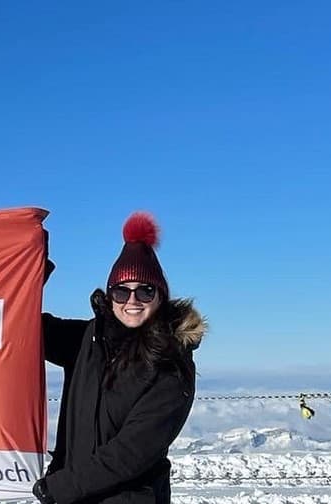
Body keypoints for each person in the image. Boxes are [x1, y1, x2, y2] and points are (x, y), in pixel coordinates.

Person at [34, 212, 206, 504]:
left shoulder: (170, 363)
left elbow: (130, 453)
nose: (132, 301)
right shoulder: (88, 340)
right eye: (121, 291)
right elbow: (22, 327)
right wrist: (31, 269)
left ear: (160, 295)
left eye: (145, 291)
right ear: (110, 294)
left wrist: (60, 488)